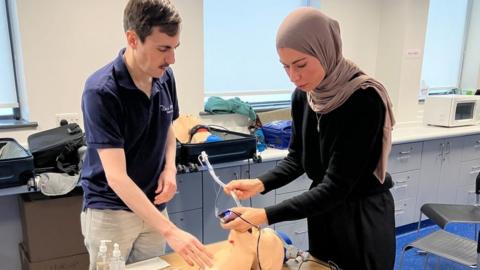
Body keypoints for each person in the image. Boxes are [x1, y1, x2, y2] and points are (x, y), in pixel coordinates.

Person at [222, 7, 396, 270]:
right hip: (324, 213)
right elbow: (298, 159)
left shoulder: (363, 98)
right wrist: (259, 183)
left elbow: (337, 186)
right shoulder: (304, 96)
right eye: (285, 67)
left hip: (361, 218)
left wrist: (264, 215)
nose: (294, 76)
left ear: (325, 50)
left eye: (300, 65)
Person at [80, 1, 212, 269]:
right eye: (163, 48)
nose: (172, 59)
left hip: (153, 205)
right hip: (111, 211)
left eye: (175, 48)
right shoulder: (102, 91)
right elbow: (116, 177)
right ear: (133, 39)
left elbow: (167, 128)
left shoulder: (165, 76)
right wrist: (171, 231)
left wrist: (170, 169)